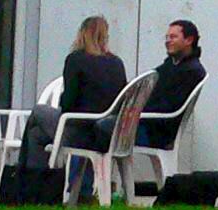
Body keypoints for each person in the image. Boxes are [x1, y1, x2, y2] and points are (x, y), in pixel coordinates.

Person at [20, 15, 127, 174]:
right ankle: (36, 187)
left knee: (38, 112)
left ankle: (25, 178)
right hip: (109, 134)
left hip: (81, 131)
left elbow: (68, 104)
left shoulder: (76, 59)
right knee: (36, 135)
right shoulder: (117, 63)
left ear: (83, 34)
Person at [138, 20, 206, 150]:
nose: (168, 41)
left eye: (173, 37)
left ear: (189, 40)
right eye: (167, 37)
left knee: (101, 129)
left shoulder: (191, 72)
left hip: (156, 132)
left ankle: (100, 170)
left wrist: (136, 111)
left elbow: (168, 106)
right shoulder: (171, 66)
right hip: (150, 125)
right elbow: (145, 81)